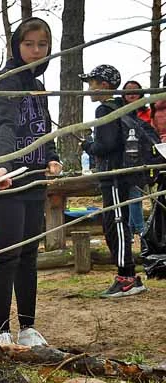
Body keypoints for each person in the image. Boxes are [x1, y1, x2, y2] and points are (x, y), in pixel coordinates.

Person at [0, 18, 62, 346]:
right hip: (8, 179)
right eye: (28, 44)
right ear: (17, 45)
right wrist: (1, 167)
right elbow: (2, 126)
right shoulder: (6, 80)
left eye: (42, 45)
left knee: (29, 253)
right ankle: (0, 330)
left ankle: (27, 327)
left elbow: (43, 127)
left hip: (35, 177)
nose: (35, 50)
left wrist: (52, 156)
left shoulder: (38, 86)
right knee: (9, 252)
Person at [81, 64, 147, 298]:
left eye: (92, 83)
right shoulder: (121, 107)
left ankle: (127, 277)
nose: (88, 89)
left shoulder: (104, 110)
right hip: (122, 176)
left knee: (116, 226)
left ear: (104, 85)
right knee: (116, 224)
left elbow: (106, 146)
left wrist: (88, 145)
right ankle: (127, 275)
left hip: (115, 176)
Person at [121, 80, 149, 236]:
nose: (131, 94)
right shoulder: (120, 113)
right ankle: (139, 229)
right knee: (134, 194)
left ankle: (135, 230)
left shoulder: (147, 112)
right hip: (128, 160)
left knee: (137, 195)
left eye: (135, 91)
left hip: (147, 158)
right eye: (128, 91)